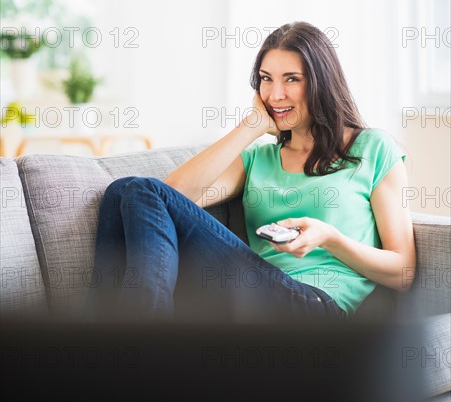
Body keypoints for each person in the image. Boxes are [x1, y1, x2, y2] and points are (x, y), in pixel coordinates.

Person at [85, 21, 416, 323]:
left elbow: (403, 271)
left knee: (140, 190)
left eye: (292, 80)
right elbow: (171, 197)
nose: (275, 95)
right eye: (266, 79)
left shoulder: (373, 148)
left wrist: (329, 238)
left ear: (320, 83)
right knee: (123, 189)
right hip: (253, 301)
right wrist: (251, 126)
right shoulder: (258, 159)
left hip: (315, 308)